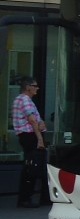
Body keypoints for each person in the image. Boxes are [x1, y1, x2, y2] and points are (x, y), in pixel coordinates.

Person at [12, 77, 49, 207]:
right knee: (34, 166)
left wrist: (41, 123)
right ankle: (27, 198)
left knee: (34, 165)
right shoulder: (25, 99)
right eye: (35, 86)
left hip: (27, 135)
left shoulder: (21, 100)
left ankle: (34, 197)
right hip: (30, 136)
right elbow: (32, 120)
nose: (37, 88)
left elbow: (36, 120)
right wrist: (40, 139)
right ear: (28, 87)